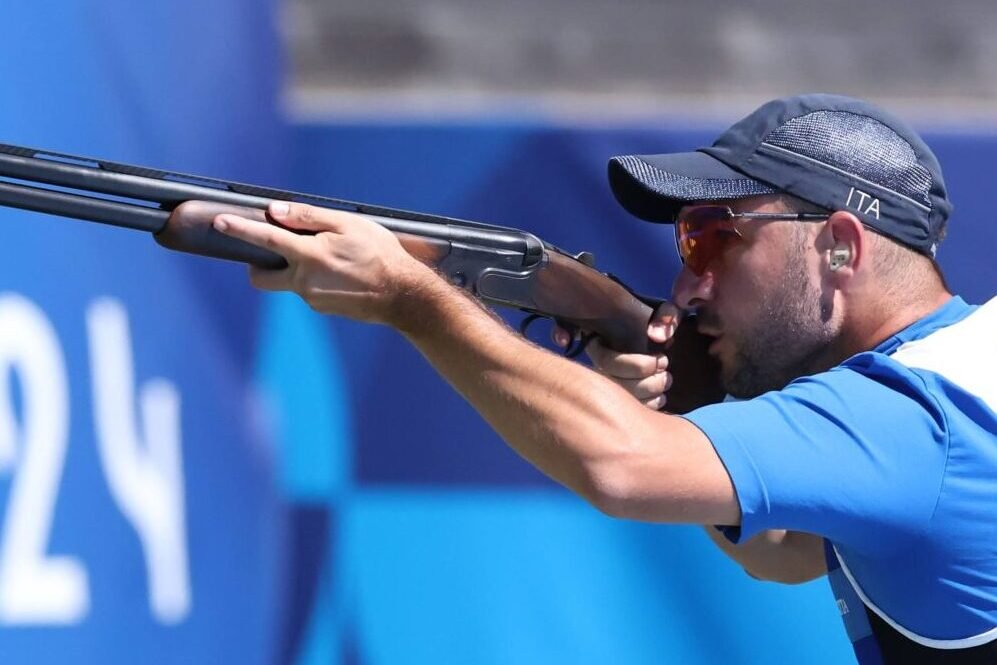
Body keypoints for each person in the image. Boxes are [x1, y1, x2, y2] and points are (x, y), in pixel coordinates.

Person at [212, 94, 996, 664]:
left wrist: (411, 299)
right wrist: (685, 396)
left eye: (714, 239)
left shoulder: (910, 412)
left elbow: (622, 466)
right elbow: (783, 551)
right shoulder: (956, 376)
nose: (688, 287)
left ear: (839, 246)